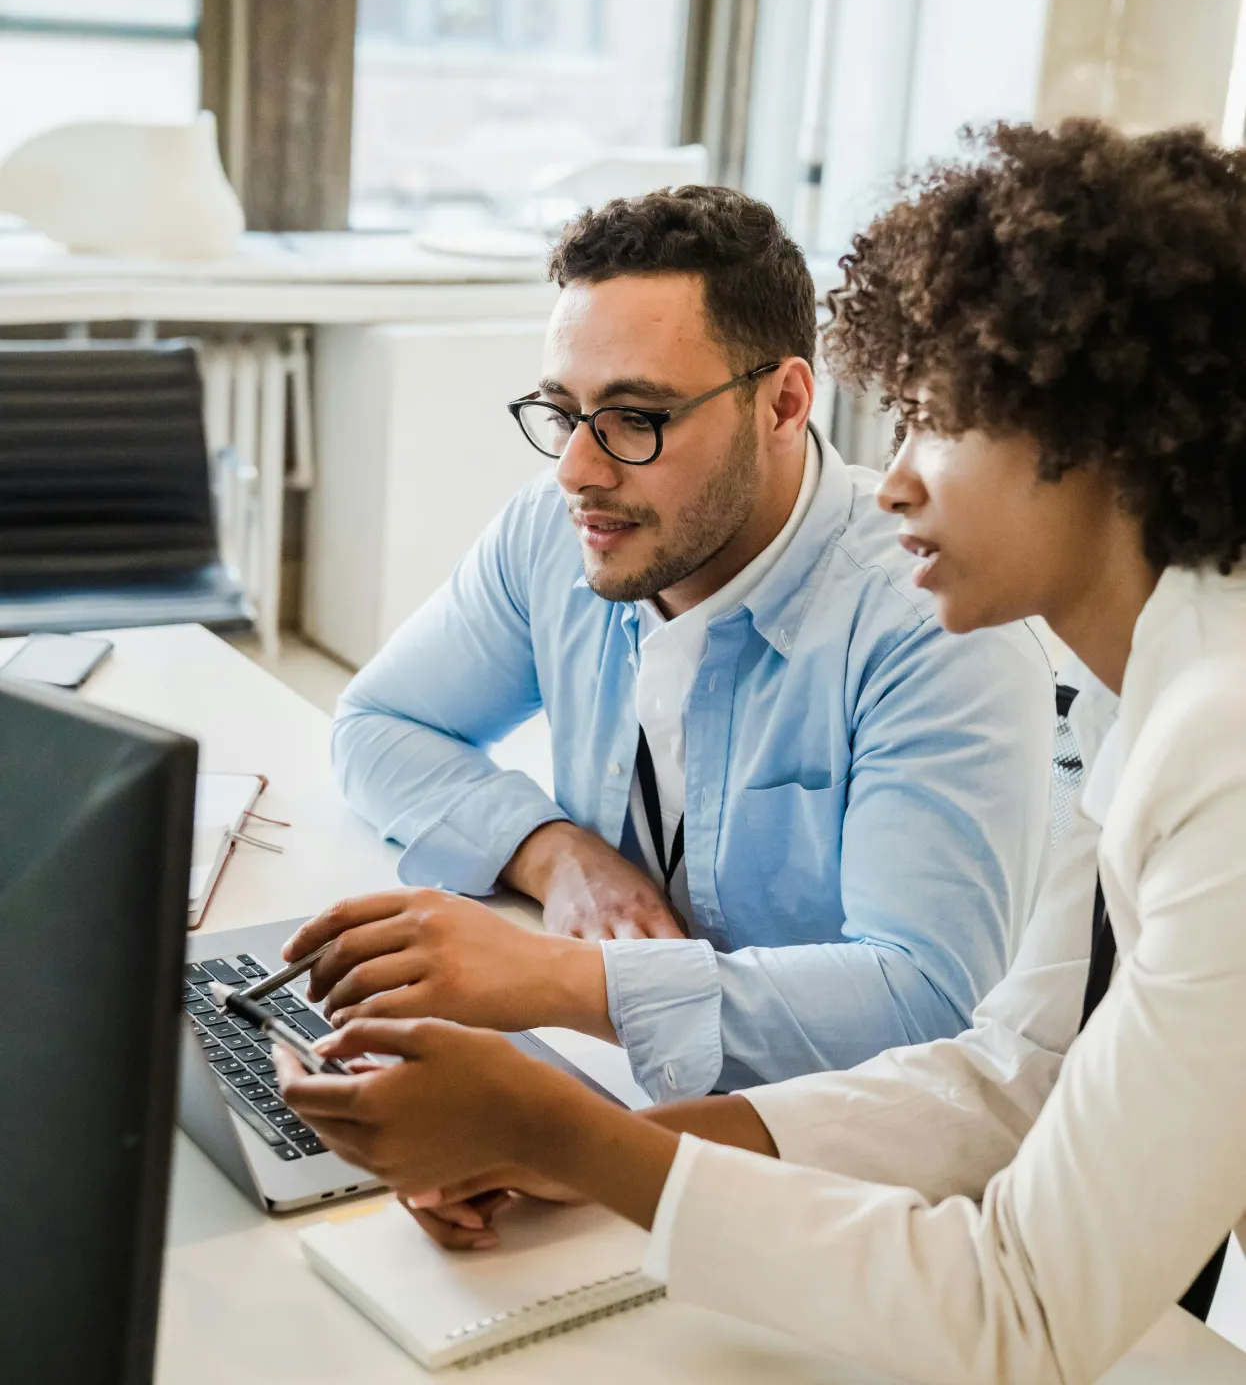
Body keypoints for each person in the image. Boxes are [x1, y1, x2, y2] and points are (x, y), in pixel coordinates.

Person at [278, 121, 1246, 1385]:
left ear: (1104, 441)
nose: (894, 482)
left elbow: (1019, 1309)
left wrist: (585, 1138)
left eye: (936, 421)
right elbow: (1008, 1078)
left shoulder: (1219, 755)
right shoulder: (1138, 702)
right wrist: (588, 1145)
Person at [297, 186, 1054, 1103]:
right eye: (562, 411)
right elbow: (379, 723)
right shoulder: (559, 530)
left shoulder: (934, 622)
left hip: (823, 1153)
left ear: (782, 403)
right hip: (613, 1081)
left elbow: (927, 1006)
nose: (577, 468)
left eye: (635, 418)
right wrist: (553, 852)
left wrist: (553, 979)